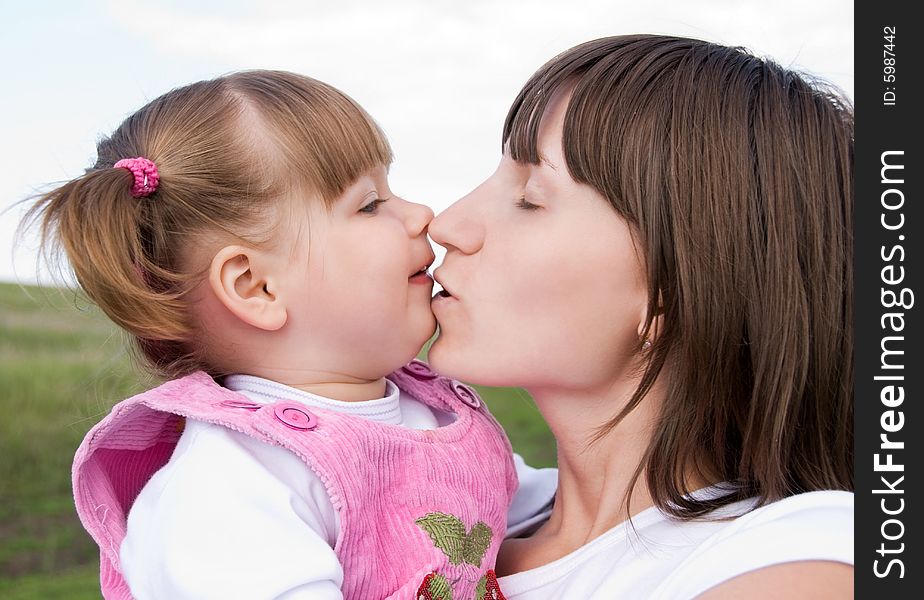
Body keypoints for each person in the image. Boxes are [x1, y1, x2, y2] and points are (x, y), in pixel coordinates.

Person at [24, 71, 555, 600]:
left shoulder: (432, 415)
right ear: (256, 287)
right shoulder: (229, 486)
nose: (422, 215)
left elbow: (547, 508)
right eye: (370, 204)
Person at [427, 34, 853, 599]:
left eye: (530, 199)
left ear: (670, 294)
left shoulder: (798, 555)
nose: (448, 223)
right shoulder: (455, 526)